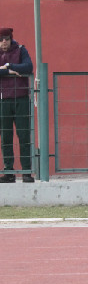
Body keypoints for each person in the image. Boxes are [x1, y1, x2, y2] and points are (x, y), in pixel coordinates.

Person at [0, 28, 34, 183]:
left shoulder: (21, 50)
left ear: (11, 38)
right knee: (6, 137)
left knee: (24, 136)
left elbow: (28, 67)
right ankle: (9, 172)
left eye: (6, 39)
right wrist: (10, 70)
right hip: (3, 100)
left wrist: (7, 66)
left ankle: (27, 172)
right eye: (1, 39)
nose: (4, 42)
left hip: (20, 99)